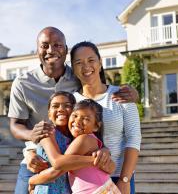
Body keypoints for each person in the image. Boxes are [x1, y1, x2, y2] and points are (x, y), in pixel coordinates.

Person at [8, 26, 138, 194]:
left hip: (75, 165)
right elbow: (15, 125)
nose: (51, 50)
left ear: (65, 50)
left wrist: (134, 94)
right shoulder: (23, 82)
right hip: (38, 158)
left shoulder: (78, 78)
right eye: (45, 45)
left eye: (57, 45)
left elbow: (96, 88)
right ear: (37, 49)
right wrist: (32, 142)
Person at [70, 41, 142, 194]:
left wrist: (125, 180)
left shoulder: (122, 95)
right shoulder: (70, 102)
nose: (86, 66)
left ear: (100, 63)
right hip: (84, 182)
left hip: (118, 176)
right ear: (73, 68)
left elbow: (134, 138)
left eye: (91, 60)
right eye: (79, 62)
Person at [30, 94, 120, 193]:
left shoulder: (84, 139)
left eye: (85, 119)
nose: (77, 121)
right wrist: (95, 160)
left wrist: (32, 180)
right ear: (48, 113)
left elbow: (59, 165)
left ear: (96, 126)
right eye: (75, 116)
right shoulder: (48, 131)